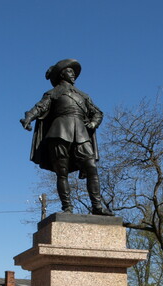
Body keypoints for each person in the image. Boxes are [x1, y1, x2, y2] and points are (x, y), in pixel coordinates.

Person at [20, 59, 113, 215]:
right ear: (62, 74)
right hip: (59, 132)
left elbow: (97, 112)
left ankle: (97, 207)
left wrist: (93, 123)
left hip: (81, 133)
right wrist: (28, 117)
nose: (74, 75)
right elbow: (40, 107)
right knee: (61, 172)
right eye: (70, 72)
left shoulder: (83, 95)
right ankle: (67, 207)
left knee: (91, 167)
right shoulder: (53, 93)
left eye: (74, 72)